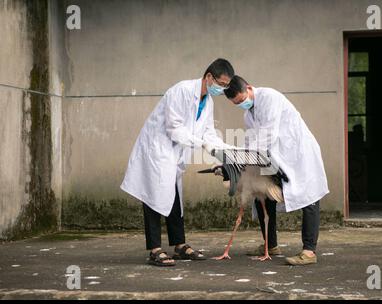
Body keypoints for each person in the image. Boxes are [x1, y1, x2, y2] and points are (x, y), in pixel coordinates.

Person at [120, 59, 234, 266]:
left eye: (226, 86)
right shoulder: (180, 91)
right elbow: (174, 128)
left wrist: (225, 149)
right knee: (153, 194)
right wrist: (202, 144)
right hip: (158, 149)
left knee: (173, 195)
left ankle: (179, 245)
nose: (223, 88)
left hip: (175, 153)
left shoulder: (208, 101)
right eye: (221, 83)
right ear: (209, 77)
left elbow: (208, 131)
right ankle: (155, 249)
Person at [223, 75, 329, 265]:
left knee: (309, 197)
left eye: (241, 100)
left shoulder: (270, 98)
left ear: (249, 87)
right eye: (237, 103)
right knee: (262, 193)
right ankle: (270, 244)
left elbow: (268, 135)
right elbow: (250, 139)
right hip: (275, 156)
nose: (241, 104)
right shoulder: (248, 114)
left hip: (298, 153)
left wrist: (246, 158)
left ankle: (309, 251)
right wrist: (241, 159)